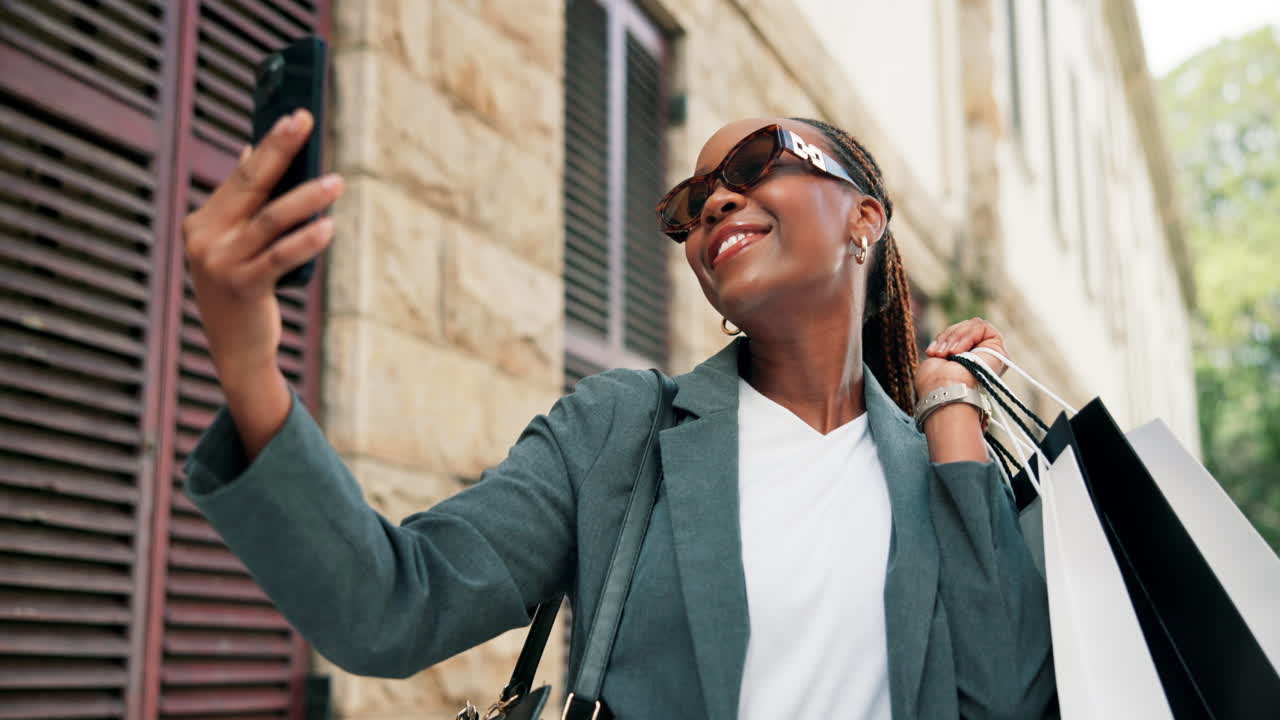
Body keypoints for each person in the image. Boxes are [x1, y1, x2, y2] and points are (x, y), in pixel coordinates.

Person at [182, 112, 1055, 719]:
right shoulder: (623, 433)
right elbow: (391, 606)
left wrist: (950, 418)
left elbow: (1006, 701)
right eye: (694, 202)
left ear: (864, 216)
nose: (714, 202)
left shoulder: (936, 474)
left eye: (757, 164)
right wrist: (249, 365)